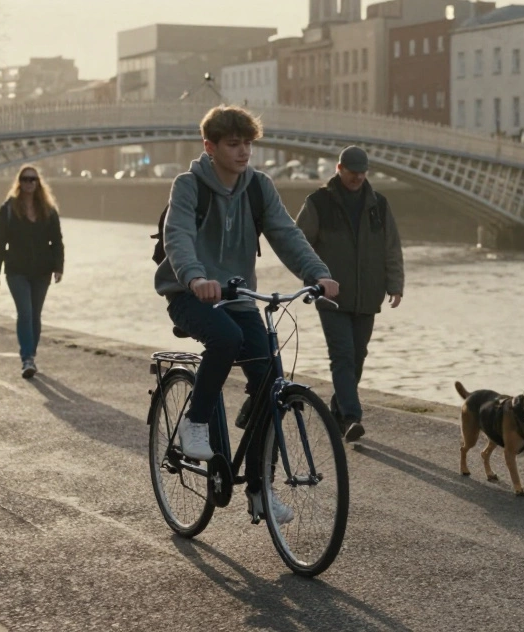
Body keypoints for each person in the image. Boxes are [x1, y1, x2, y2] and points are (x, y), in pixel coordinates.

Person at [155, 105, 337, 523]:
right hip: (189, 294)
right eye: (233, 144)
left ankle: (259, 489)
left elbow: (286, 233)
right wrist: (195, 276)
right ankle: (194, 423)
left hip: (237, 297)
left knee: (271, 383)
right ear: (210, 146)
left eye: (248, 144)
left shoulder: (258, 187)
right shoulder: (188, 186)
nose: (243, 152)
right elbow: (177, 235)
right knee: (226, 339)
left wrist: (318, 274)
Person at [295, 146, 405, 443]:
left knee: (357, 356)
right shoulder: (318, 203)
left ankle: (338, 410)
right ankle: (352, 417)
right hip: (331, 296)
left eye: (361, 172)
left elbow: (391, 247)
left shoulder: (378, 205)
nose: (357, 177)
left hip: (368, 295)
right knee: (342, 355)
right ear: (339, 168)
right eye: (351, 171)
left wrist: (395, 284)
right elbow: (297, 244)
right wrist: (313, 279)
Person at [0, 164, 64, 379]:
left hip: (42, 271)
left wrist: (58, 267)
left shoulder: (48, 210)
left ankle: (31, 353)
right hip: (16, 270)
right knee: (25, 312)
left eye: (33, 179)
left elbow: (57, 241)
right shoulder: (8, 209)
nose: (29, 183)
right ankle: (27, 359)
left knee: (35, 315)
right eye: (25, 179)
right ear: (19, 183)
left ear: (38, 183)